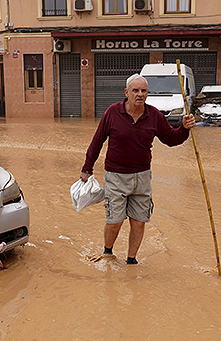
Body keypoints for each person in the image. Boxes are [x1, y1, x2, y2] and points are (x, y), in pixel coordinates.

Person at [80, 73, 195, 265]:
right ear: (126, 92)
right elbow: (97, 141)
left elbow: (171, 139)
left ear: (147, 93)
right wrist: (87, 168)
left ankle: (131, 260)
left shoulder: (154, 115)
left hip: (142, 177)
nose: (140, 94)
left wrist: (184, 128)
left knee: (139, 221)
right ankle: (108, 251)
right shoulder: (112, 113)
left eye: (144, 91)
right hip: (115, 176)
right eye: (135, 90)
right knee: (115, 220)